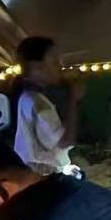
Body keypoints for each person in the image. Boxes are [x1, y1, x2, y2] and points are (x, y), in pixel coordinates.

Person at [13, 36, 83, 175]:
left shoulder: (29, 97)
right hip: (41, 176)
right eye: (54, 61)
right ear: (36, 67)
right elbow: (65, 141)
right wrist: (74, 98)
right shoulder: (37, 102)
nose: (60, 66)